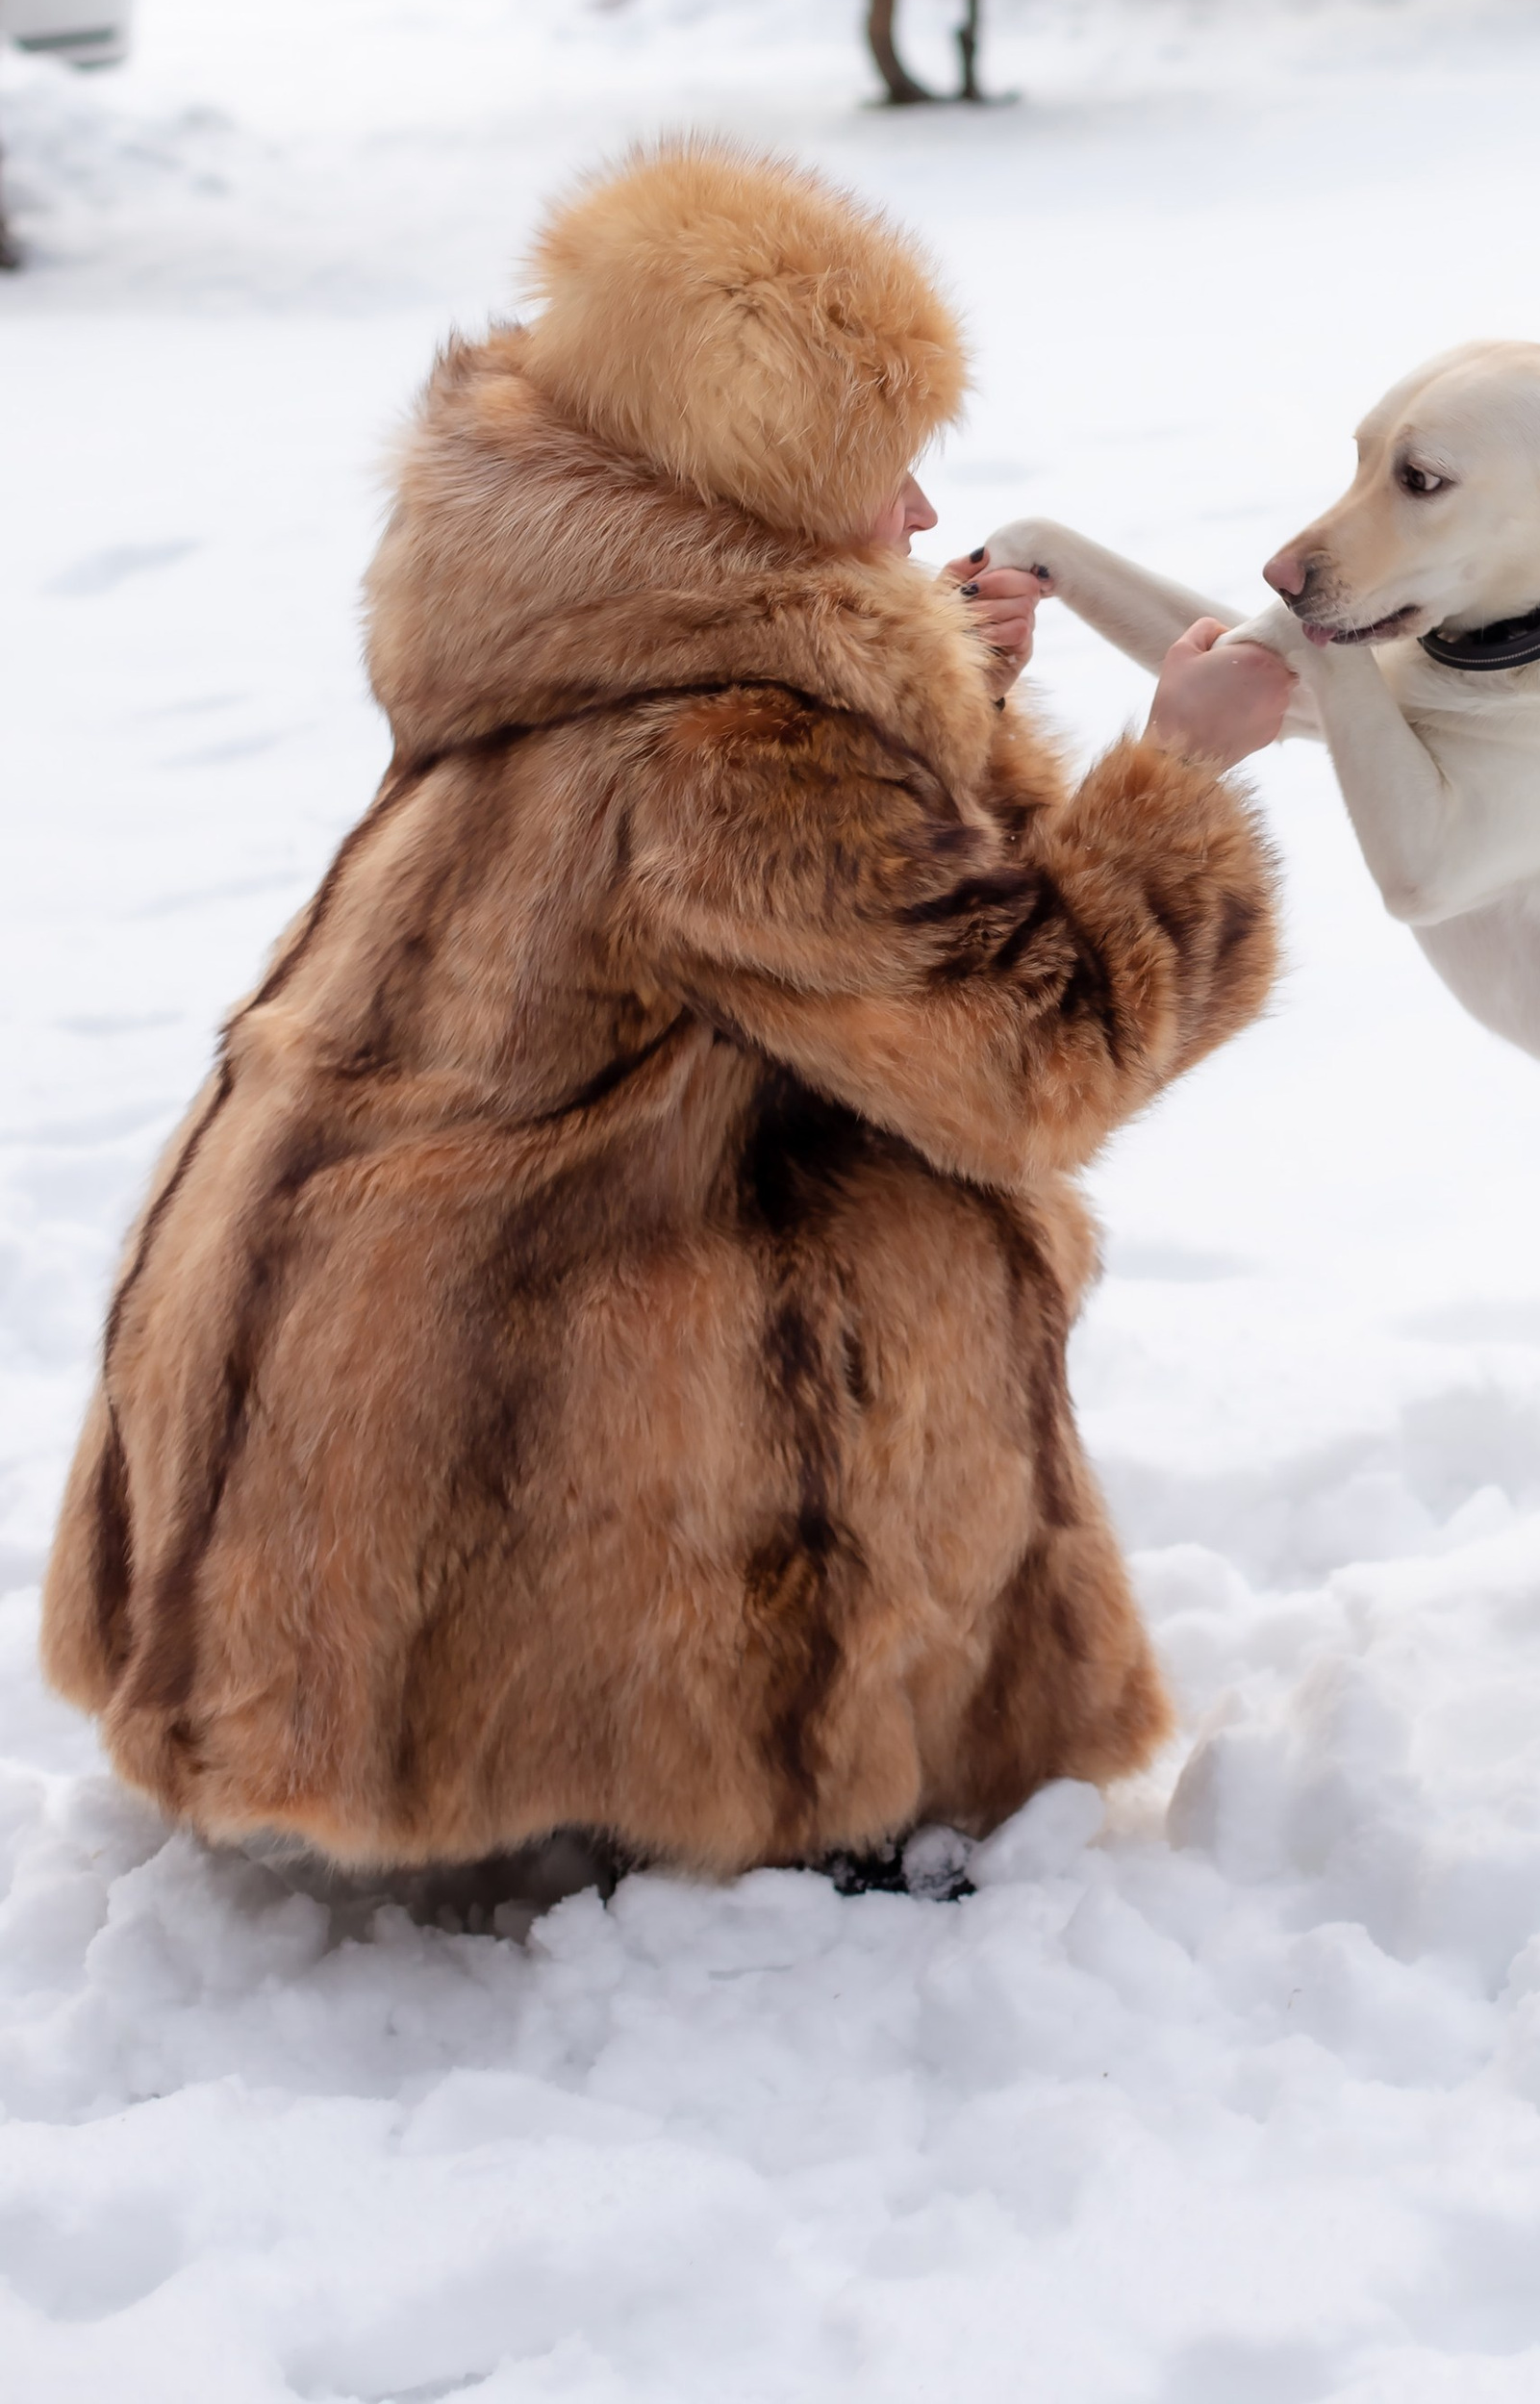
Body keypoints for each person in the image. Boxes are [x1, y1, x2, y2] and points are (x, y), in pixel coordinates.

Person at [41, 144, 1290, 1879]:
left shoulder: (562, 638)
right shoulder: (734, 759)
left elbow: (782, 919)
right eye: (877, 475)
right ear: (755, 497)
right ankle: (724, 1746)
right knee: (929, 1217)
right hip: (479, 1460)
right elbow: (1039, 1060)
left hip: (312, 1436)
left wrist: (935, 704)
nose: (923, 518)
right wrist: (1181, 769)